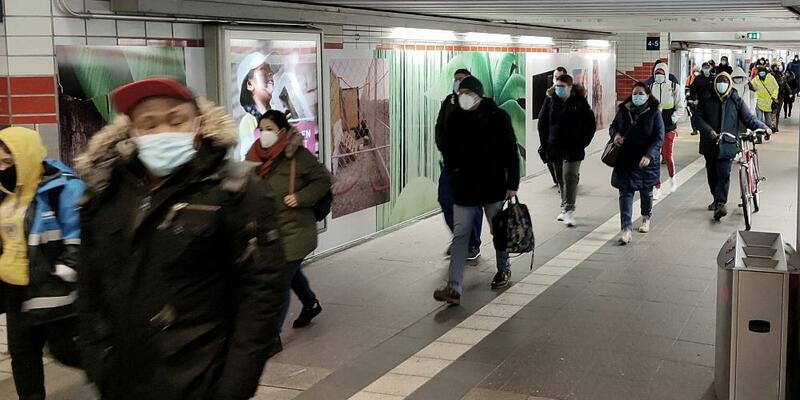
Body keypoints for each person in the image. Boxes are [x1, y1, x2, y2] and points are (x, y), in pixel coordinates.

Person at [75, 77, 288, 400]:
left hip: (202, 379)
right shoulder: (106, 193)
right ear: (131, 132)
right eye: (148, 124)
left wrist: (234, 386)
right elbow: (90, 286)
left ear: (198, 125)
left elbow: (262, 294)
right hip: (124, 381)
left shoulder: (234, 190)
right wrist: (98, 363)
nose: (163, 132)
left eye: (176, 120)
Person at [0, 127, 84, 400]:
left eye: (8, 162)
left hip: (53, 290)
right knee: (23, 358)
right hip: (15, 291)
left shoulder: (63, 187)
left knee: (66, 351)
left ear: (25, 156)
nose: (2, 169)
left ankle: (120, 378)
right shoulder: (6, 194)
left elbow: (80, 237)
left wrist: (63, 272)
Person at [246, 110, 330, 350]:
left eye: (269, 129)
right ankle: (311, 304)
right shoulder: (253, 156)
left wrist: (301, 197)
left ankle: (272, 336)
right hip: (269, 233)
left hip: (296, 231)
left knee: (279, 282)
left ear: (282, 131)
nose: (264, 134)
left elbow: (322, 181)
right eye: (261, 128)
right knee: (291, 275)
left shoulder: (299, 157)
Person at [434, 76, 520, 305]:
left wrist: (512, 184)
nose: (463, 98)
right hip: (464, 189)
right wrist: (454, 172)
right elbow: (448, 149)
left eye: (467, 93)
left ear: (478, 96)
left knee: (497, 230)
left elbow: (511, 151)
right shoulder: (455, 119)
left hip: (493, 187)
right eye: (460, 94)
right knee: (461, 235)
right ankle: (454, 288)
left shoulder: (498, 117)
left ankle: (504, 269)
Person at [692, 72, 770, 221]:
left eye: (725, 82)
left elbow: (748, 118)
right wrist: (708, 130)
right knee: (712, 174)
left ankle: (721, 203)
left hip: (727, 144)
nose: (722, 85)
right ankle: (716, 199)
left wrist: (764, 127)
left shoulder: (736, 100)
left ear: (729, 84)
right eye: (719, 82)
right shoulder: (706, 99)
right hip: (710, 144)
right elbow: (697, 118)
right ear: (715, 84)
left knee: (724, 174)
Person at [436, 69, 483, 261]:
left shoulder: (480, 106)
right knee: (445, 199)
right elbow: (440, 127)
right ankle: (460, 239)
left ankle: (472, 244)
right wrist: (445, 149)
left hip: (473, 166)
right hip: (450, 163)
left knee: (472, 205)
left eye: (461, 81)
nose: (458, 85)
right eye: (455, 81)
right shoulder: (449, 102)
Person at [537, 74, 596, 227]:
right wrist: (544, 144)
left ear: (570, 87)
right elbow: (542, 123)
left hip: (574, 147)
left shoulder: (579, 102)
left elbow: (591, 124)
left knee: (570, 175)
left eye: (562, 86)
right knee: (560, 178)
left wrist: (583, 142)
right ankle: (564, 207)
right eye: (557, 86)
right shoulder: (550, 101)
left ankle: (569, 210)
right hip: (555, 147)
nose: (559, 89)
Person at [609, 82, 664, 245]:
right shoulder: (624, 110)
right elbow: (613, 127)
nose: (637, 96)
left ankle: (646, 217)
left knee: (646, 192)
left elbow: (658, 137)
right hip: (625, 159)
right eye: (635, 93)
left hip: (646, 162)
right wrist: (616, 135)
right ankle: (626, 228)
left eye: (640, 93)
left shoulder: (654, 113)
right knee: (625, 193)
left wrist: (649, 155)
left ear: (647, 96)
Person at [649, 62, 686, 198]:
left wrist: (673, 118)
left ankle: (672, 179)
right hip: (653, 129)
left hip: (669, 128)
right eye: (656, 73)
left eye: (661, 73)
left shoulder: (674, 87)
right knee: (654, 158)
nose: (659, 76)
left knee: (667, 155)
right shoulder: (650, 87)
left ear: (666, 73)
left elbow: (680, 106)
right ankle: (657, 186)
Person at [237, 52, 276, 160]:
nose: (270, 75)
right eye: (264, 72)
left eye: (270, 72)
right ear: (249, 84)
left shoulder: (279, 111)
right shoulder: (248, 122)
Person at [539, 66, 569, 187]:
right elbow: (542, 120)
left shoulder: (574, 98)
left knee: (568, 173)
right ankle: (562, 187)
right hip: (553, 142)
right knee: (558, 173)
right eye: (555, 77)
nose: (557, 80)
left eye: (560, 77)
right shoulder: (549, 97)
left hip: (568, 144)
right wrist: (544, 141)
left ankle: (567, 198)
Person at [750, 65, 779, 134]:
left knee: (768, 122)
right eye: (760, 72)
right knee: (759, 120)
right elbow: (752, 87)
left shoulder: (771, 78)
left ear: (766, 72)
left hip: (768, 102)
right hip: (759, 102)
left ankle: (767, 133)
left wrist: (774, 96)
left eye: (763, 72)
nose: (761, 73)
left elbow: (776, 87)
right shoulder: (756, 79)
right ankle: (759, 137)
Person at [771, 63, 789, 132]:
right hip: (773, 96)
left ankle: (776, 126)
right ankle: (773, 126)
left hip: (780, 96)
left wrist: (790, 92)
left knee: (777, 112)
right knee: (773, 111)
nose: (777, 68)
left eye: (777, 67)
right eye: (775, 67)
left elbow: (785, 84)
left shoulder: (781, 75)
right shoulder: (771, 75)